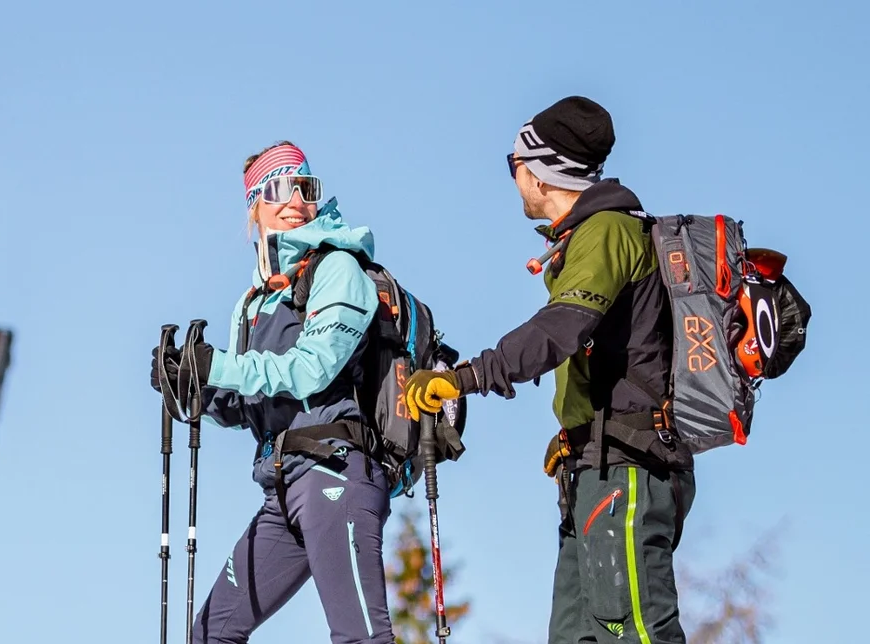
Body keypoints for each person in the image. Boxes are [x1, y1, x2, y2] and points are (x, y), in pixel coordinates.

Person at [404, 96, 694, 643]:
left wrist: (462, 378)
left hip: (628, 468)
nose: (512, 175)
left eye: (513, 162)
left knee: (632, 631)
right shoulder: (588, 237)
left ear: (539, 172)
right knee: (575, 636)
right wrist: (576, 431)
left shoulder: (607, 231)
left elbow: (558, 331)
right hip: (596, 464)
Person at [151, 141, 393, 643]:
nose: (294, 200)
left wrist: (216, 364)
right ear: (254, 208)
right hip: (280, 489)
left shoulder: (338, 269)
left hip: (336, 472)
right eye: (277, 189)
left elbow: (312, 370)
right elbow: (248, 402)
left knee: (360, 638)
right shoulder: (254, 302)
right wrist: (191, 388)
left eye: (304, 187)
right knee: (212, 634)